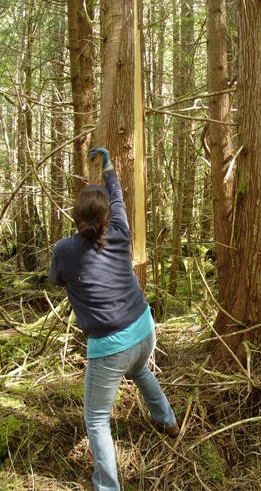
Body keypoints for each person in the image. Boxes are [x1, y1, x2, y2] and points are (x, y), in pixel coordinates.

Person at [49, 148, 178, 491]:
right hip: (144, 328)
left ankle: (107, 487)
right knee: (139, 370)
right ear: (106, 216)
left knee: (96, 419)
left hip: (110, 346)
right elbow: (118, 194)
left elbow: (57, 280)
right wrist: (107, 166)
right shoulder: (120, 229)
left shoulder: (64, 250)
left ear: (75, 218)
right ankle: (168, 422)